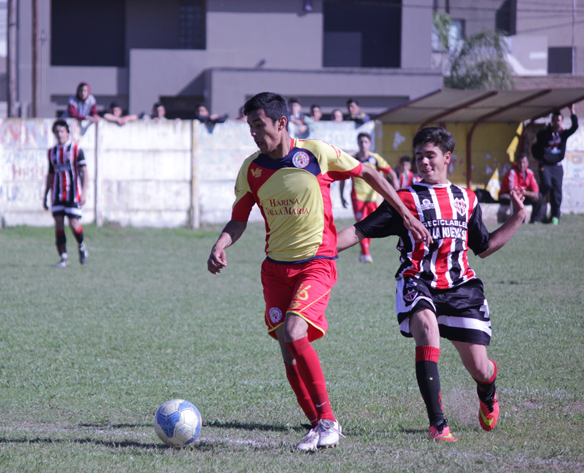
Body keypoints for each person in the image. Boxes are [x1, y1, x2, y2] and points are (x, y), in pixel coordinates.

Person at [207, 92, 430, 451]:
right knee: (286, 347)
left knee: (295, 333)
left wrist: (405, 214)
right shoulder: (252, 169)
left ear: (281, 123)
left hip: (316, 264)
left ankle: (328, 421)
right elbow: (238, 220)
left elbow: (369, 171)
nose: (253, 133)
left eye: (259, 125)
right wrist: (220, 244)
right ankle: (317, 425)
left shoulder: (316, 154)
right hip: (275, 271)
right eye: (249, 126)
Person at [336, 127, 528, 443]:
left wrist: (518, 217)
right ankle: (438, 425)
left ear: (447, 158)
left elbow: (484, 246)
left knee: (480, 368)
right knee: (425, 326)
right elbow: (359, 231)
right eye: (419, 156)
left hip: (461, 288)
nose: (424, 162)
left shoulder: (466, 198)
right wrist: (321, 250)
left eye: (431, 155)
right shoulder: (405, 199)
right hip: (418, 280)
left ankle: (487, 389)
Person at [339, 133, 398, 263]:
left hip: (372, 198)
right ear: (358, 143)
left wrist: (396, 184)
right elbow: (343, 179)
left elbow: (390, 172)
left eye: (365, 142)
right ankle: (366, 253)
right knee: (361, 223)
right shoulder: (353, 159)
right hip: (357, 197)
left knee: (370, 226)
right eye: (361, 142)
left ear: (370, 144)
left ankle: (363, 251)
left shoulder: (375, 159)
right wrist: (342, 195)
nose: (363, 144)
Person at [43, 120, 89, 268]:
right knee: (58, 224)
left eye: (62, 131)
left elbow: (84, 172)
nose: (60, 134)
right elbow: (50, 174)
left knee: (74, 223)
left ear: (68, 133)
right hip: (57, 194)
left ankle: (81, 246)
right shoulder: (52, 152)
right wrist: (45, 194)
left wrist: (84, 192)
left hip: (72, 193)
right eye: (57, 132)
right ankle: (64, 258)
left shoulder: (76, 150)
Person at [531, 106, 578, 225]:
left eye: (559, 120)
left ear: (561, 121)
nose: (556, 122)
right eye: (555, 120)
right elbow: (535, 147)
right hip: (545, 165)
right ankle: (536, 215)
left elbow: (575, 127)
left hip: (557, 166)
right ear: (551, 121)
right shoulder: (544, 134)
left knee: (557, 191)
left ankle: (555, 216)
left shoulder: (563, 134)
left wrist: (572, 112)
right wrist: (540, 157)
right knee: (546, 185)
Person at [498, 153, 544, 223]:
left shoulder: (530, 173)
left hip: (522, 194)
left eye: (524, 163)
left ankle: (535, 220)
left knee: (539, 197)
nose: (522, 165)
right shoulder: (512, 172)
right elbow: (513, 190)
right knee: (517, 197)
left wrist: (531, 194)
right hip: (507, 195)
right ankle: (518, 221)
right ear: (517, 163)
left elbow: (535, 191)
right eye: (520, 163)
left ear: (527, 163)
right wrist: (529, 194)